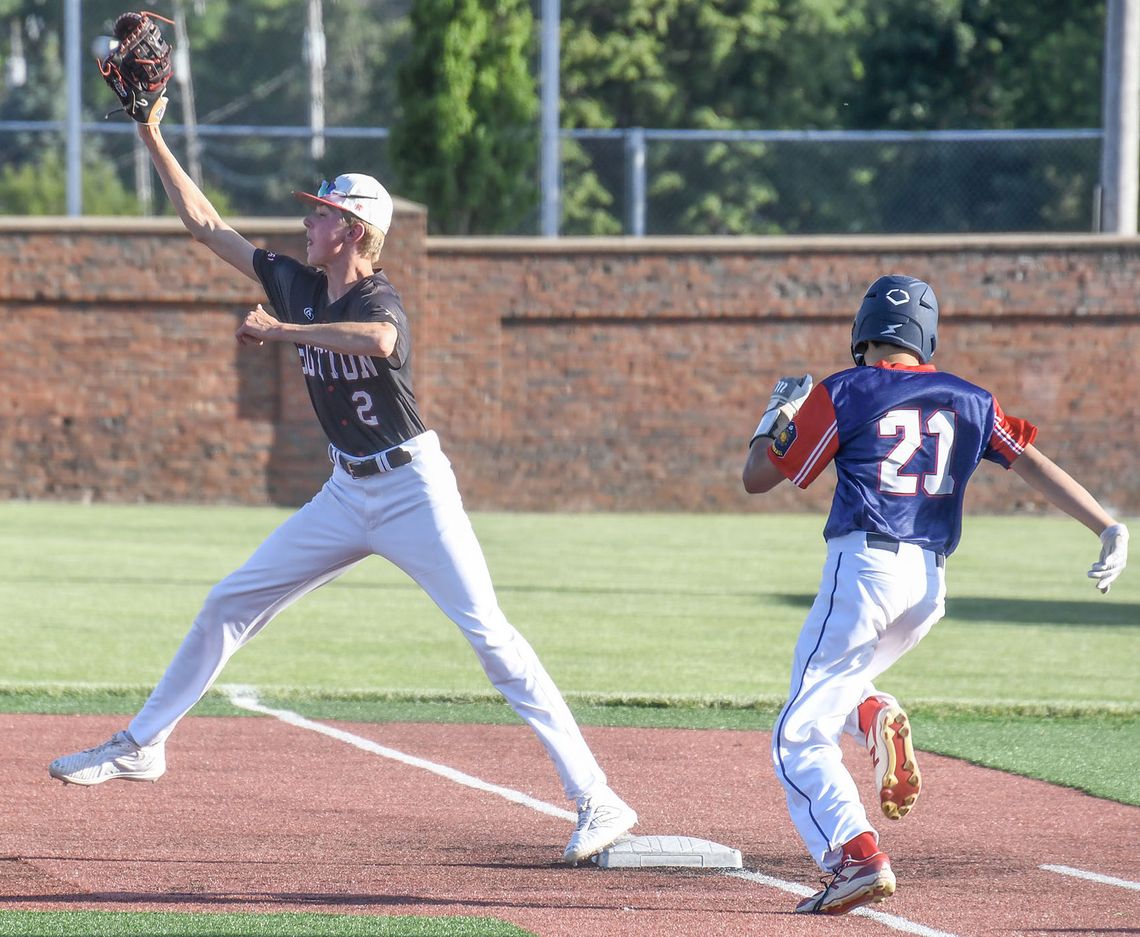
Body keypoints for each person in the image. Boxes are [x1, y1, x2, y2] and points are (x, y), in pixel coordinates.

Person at [48, 118, 637, 866]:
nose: (308, 220)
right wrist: (149, 132)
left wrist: (283, 331)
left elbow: (380, 343)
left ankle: (598, 797)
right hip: (345, 490)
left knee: (492, 638)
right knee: (231, 600)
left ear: (354, 231)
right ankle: (142, 744)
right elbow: (206, 225)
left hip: (412, 489)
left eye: (322, 213)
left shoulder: (376, 299)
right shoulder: (297, 280)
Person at [741, 274, 1129, 915]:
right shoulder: (971, 397)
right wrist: (1107, 524)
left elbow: (759, 478)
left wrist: (774, 415)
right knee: (836, 688)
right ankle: (874, 715)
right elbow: (1031, 460)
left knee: (797, 735)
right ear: (927, 338)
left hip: (864, 566)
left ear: (862, 334)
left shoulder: (846, 388)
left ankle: (855, 857)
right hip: (927, 585)